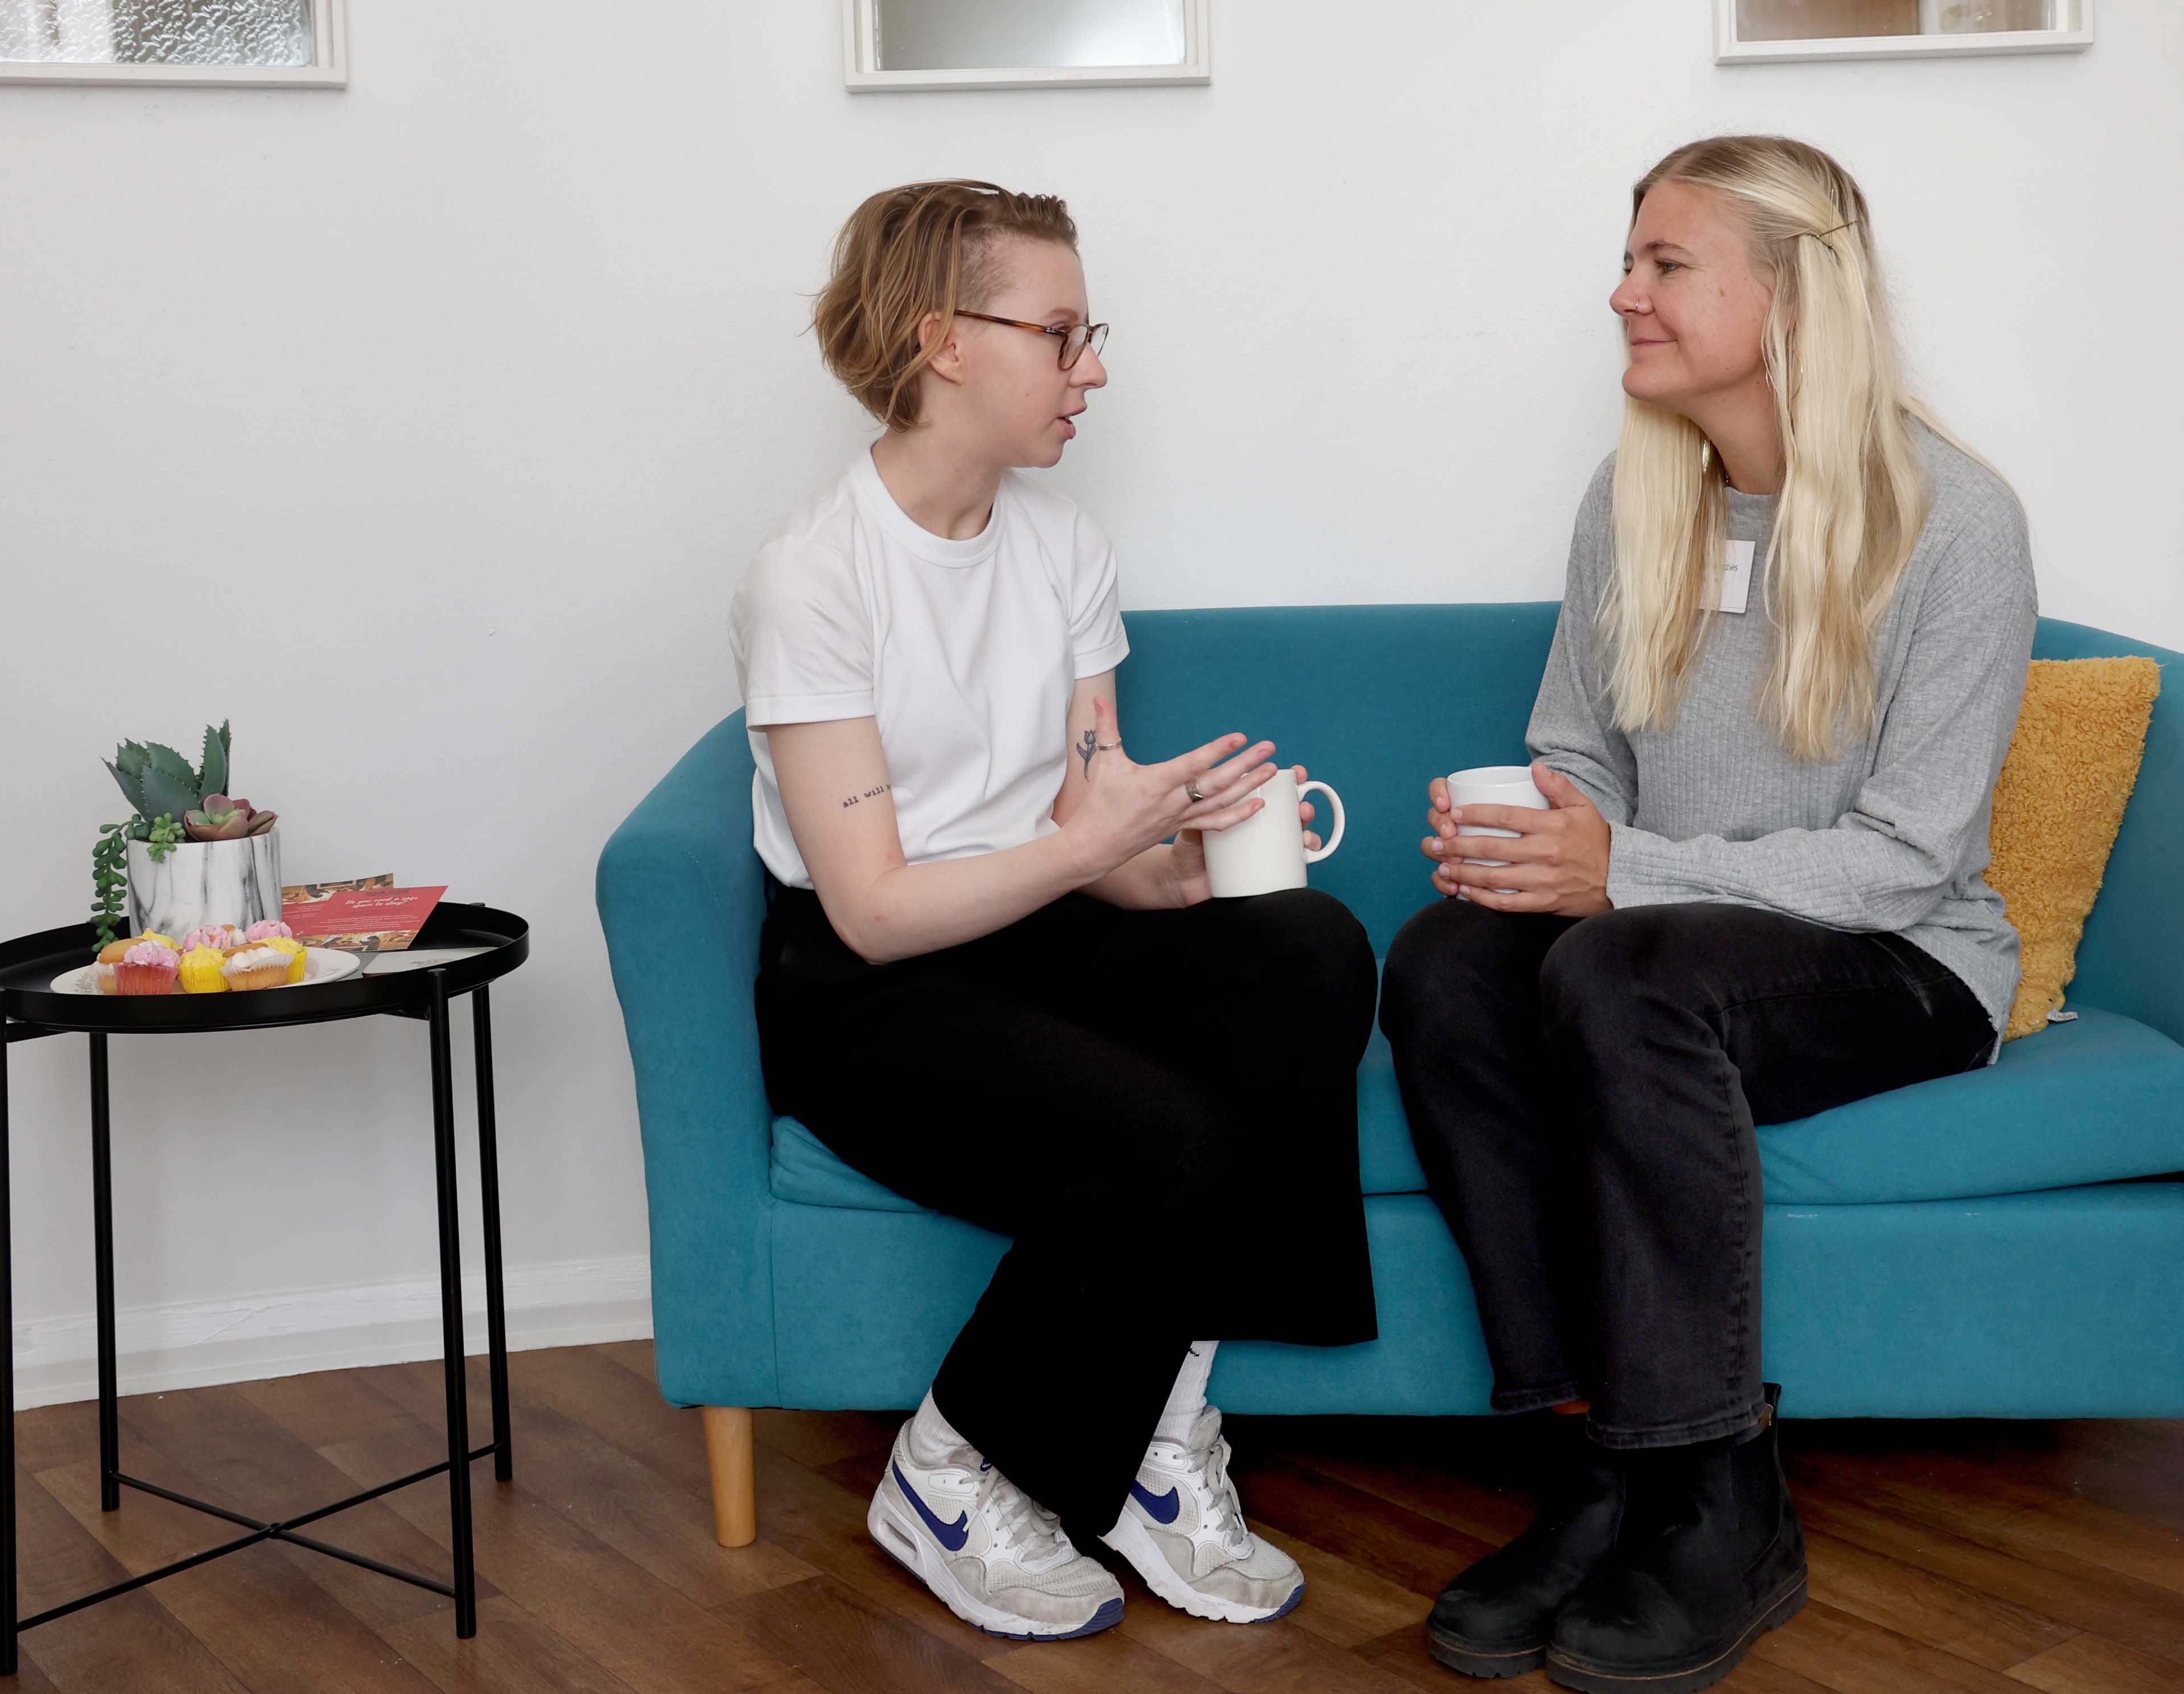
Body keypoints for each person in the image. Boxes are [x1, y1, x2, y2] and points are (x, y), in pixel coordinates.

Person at [1380, 136, 2035, 1693]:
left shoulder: (1958, 521)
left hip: (1902, 960)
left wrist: (1629, 879)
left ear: (1796, 292)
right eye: (1632, 260)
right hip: (1661, 941)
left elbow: (1908, 859)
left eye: (1667, 264)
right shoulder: (1638, 497)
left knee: (1622, 975)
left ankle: (1717, 1493)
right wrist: (1525, 840)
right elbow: (1577, 747)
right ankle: (1592, 1464)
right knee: (1448, 963)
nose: (1625, 294)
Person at [734, 178, 1378, 1643]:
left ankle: (1157, 1436)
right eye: (1064, 335)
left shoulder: (1063, 548)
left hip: (1033, 935)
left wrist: (1177, 858)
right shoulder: (810, 580)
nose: (1094, 372)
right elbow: (882, 911)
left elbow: (1090, 844)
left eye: (1093, 337)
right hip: (867, 986)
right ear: (941, 340)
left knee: (1309, 952)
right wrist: (1094, 837)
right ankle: (952, 1467)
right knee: (1168, 1131)